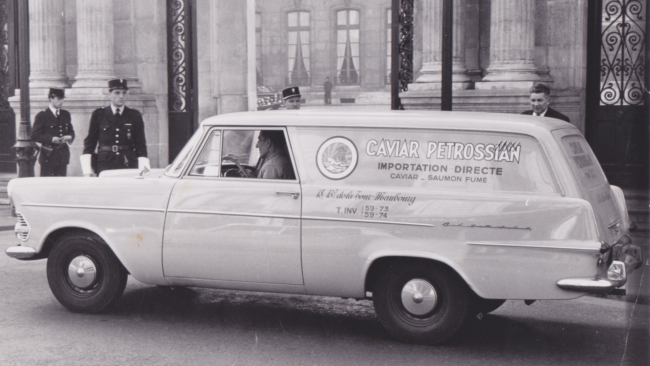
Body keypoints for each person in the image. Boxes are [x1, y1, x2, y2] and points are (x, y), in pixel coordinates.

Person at [81, 79, 149, 176]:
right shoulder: (99, 114)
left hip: (127, 163)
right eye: (117, 93)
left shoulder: (134, 115)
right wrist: (87, 171)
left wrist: (143, 171)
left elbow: (141, 145)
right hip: (105, 163)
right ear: (110, 94)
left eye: (124, 93)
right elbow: (90, 143)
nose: (121, 96)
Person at [31, 88, 75, 177]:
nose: (61, 101)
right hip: (48, 155)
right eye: (59, 99)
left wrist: (70, 137)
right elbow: (35, 135)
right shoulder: (42, 116)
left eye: (62, 99)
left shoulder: (65, 114)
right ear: (51, 99)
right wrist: (51, 139)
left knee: (62, 184)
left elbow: (71, 130)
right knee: (47, 184)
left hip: (62, 156)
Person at [223, 130, 295, 180]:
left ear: (268, 142)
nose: (256, 146)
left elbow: (265, 195)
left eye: (259, 140)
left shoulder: (271, 167)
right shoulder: (282, 160)